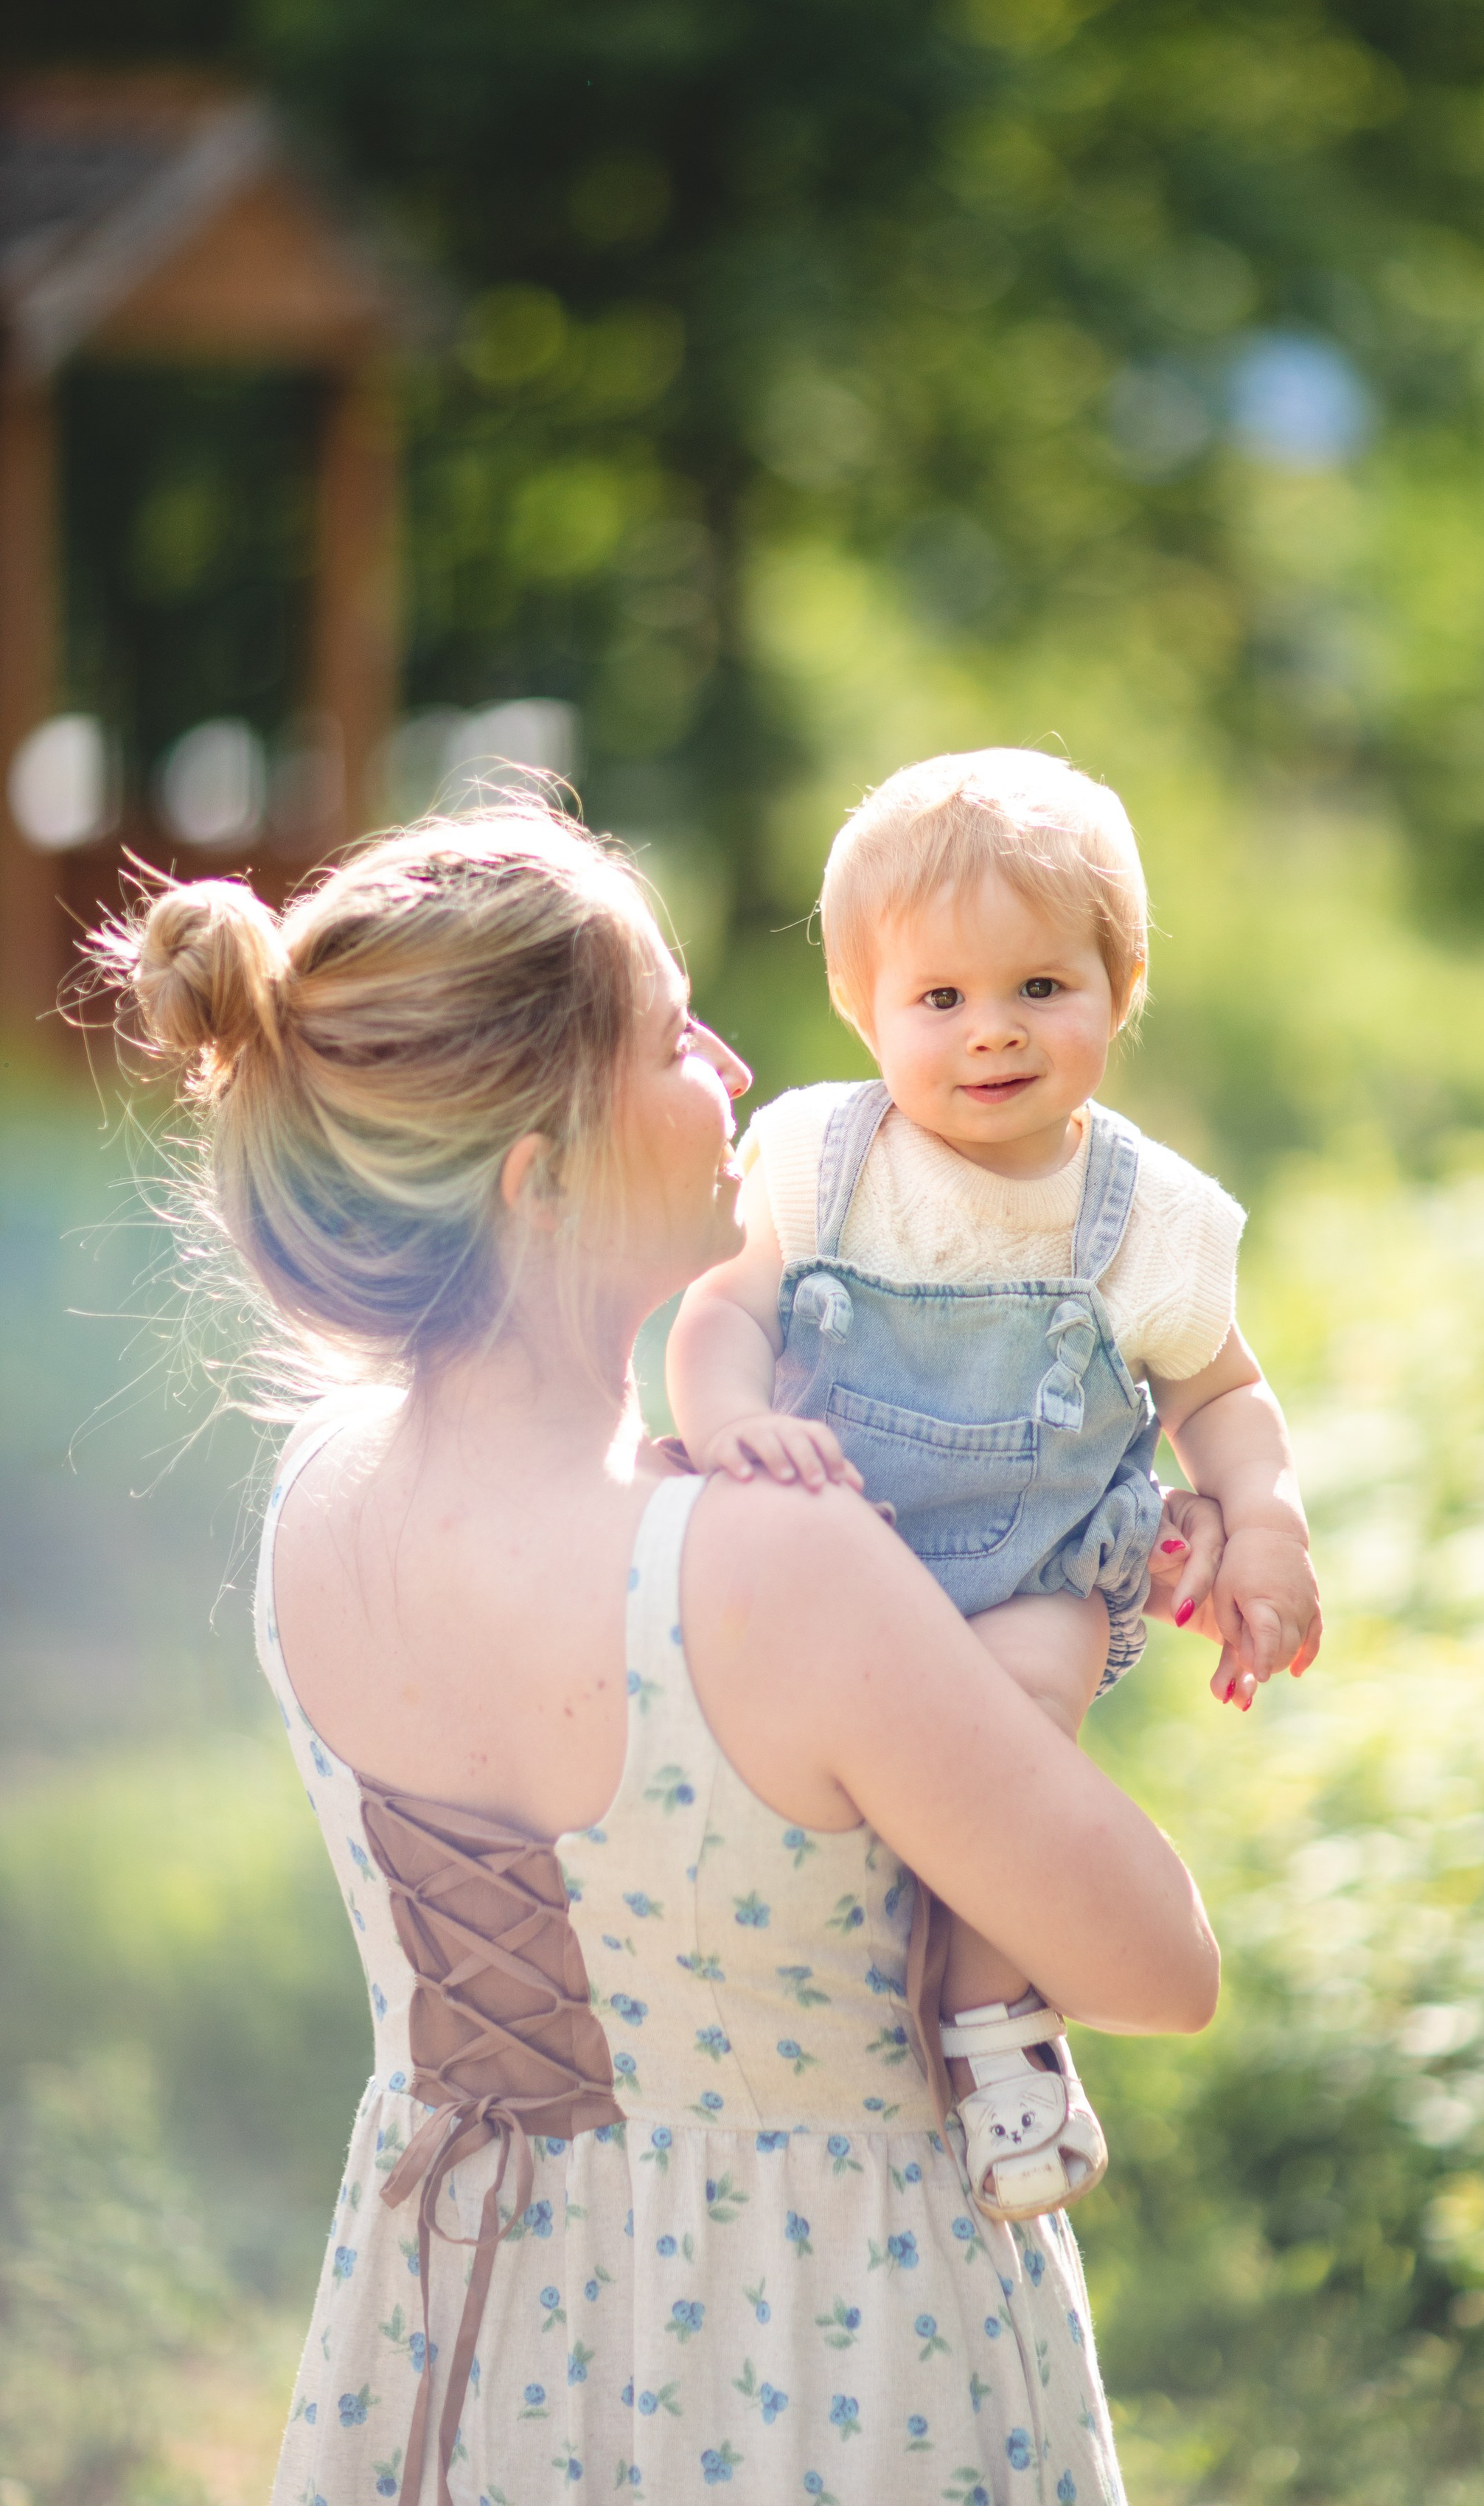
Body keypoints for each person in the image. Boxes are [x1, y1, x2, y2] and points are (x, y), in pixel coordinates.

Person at [88, 807, 1221, 2506]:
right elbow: (1157, 1965)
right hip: (825, 2361)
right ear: (539, 1175)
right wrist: (1063, 1595)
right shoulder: (769, 1567)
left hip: (459, 2345)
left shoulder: (319, 1505)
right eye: (673, 1037)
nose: (737, 1069)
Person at [665, 751, 1316, 2219]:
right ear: (864, 1009)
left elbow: (1221, 1393)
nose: (992, 1032)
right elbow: (721, 1312)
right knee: (800, 1795)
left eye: (1040, 987)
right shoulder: (820, 1160)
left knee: (1010, 1745)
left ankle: (991, 2020)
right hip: (829, 1562)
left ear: (1120, 985)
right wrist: (725, 1424)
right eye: (941, 998)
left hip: (1033, 1576)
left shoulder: (1144, 1218)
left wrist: (1263, 1519)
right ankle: (831, 1978)